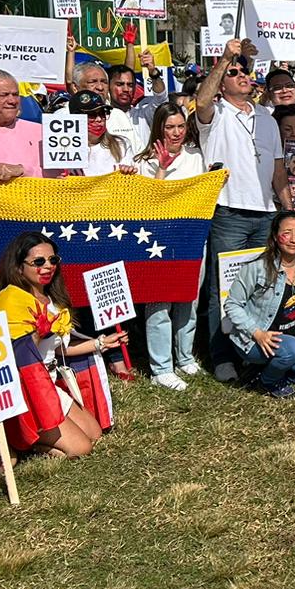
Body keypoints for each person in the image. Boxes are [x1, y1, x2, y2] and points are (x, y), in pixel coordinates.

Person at [195, 39, 289, 379]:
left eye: (244, 71)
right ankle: (221, 356)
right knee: (223, 285)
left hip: (265, 212)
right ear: (222, 83)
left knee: (260, 285)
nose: (241, 75)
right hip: (228, 211)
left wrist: (289, 212)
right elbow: (201, 99)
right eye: (233, 73)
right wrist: (224, 58)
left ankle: (251, 348)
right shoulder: (215, 113)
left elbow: (278, 170)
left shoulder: (267, 117)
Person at [0, 232, 112, 455]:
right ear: (19, 267)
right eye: (39, 261)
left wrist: (101, 343)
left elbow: (58, 349)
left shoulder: (53, 299)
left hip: (50, 383)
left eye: (53, 260)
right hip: (28, 389)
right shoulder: (11, 299)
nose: (48, 266)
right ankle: (27, 444)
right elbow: (13, 358)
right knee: (81, 449)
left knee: (95, 434)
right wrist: (37, 334)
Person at [223, 211, 295, 398]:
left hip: (294, 341)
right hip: (256, 341)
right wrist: (257, 333)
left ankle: (274, 370)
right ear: (276, 236)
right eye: (287, 233)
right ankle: (267, 381)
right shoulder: (257, 267)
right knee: (294, 350)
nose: (293, 239)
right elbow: (232, 304)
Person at [134, 102, 205, 389]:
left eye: (180, 126)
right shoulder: (143, 160)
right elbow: (147, 203)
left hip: (191, 236)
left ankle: (185, 357)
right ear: (158, 129)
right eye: (169, 127)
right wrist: (161, 170)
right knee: (160, 302)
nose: (176, 133)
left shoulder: (196, 156)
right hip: (158, 240)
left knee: (190, 298)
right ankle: (161, 367)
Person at [70, 91, 137, 176]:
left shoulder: (122, 144)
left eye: (102, 113)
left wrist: (128, 172)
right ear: (74, 118)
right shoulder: (62, 150)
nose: (99, 119)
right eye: (91, 114)